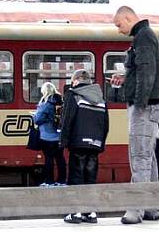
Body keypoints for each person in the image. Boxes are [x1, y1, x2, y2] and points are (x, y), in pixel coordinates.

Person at [111, 6, 159, 224]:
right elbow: (144, 72)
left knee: (139, 156)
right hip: (151, 103)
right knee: (148, 156)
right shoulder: (146, 36)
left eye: (119, 24)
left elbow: (147, 72)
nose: (118, 30)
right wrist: (126, 80)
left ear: (128, 17)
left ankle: (135, 210)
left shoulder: (143, 38)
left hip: (144, 106)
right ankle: (152, 207)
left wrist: (141, 103)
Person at [60, 70, 109, 224]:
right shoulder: (101, 98)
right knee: (90, 177)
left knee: (76, 176)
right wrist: (101, 143)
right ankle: (91, 213)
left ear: (75, 81)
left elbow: (67, 119)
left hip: (78, 142)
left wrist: (63, 141)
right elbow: (106, 125)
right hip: (95, 143)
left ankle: (76, 212)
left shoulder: (73, 94)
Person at [33, 82, 66, 186]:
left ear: (44, 91)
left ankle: (49, 181)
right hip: (59, 136)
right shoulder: (61, 103)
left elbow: (38, 120)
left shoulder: (45, 103)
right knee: (60, 158)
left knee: (49, 159)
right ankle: (61, 180)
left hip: (47, 137)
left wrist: (34, 116)